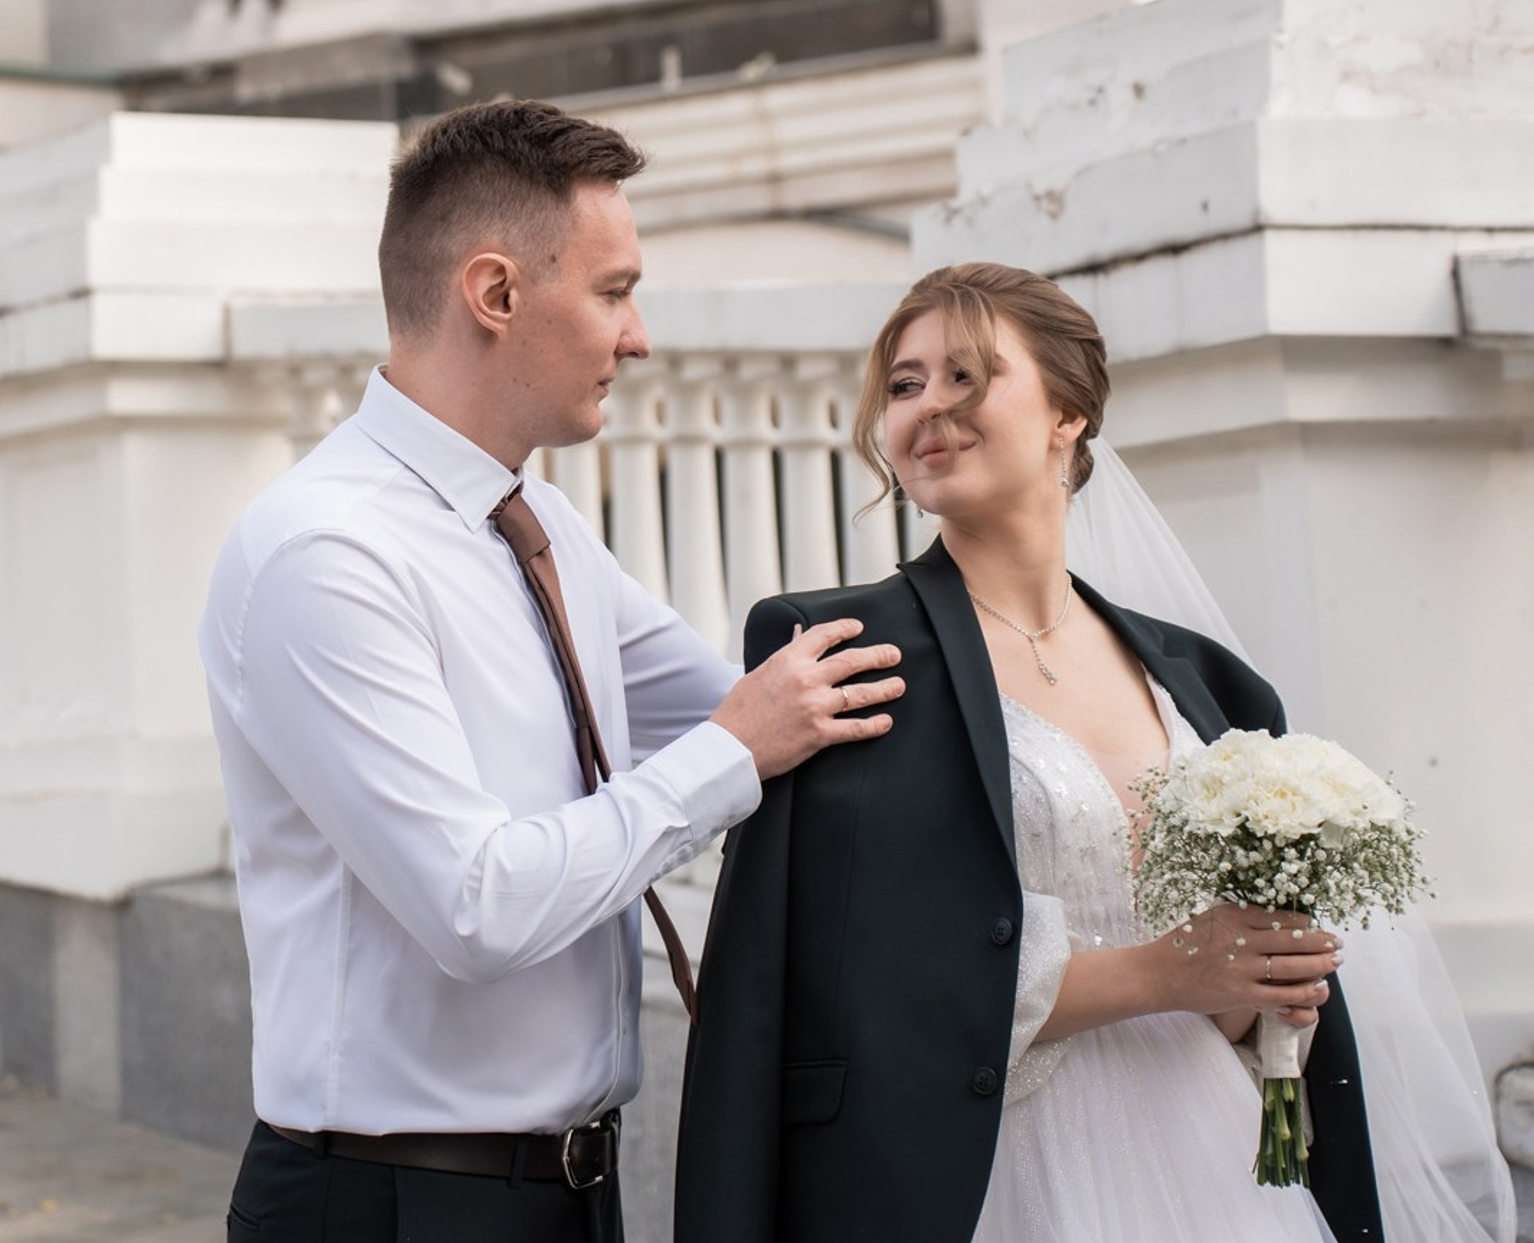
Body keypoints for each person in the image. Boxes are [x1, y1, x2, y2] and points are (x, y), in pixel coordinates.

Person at [674, 261, 1514, 1243]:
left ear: (1068, 412)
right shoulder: (842, 655)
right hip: (973, 1181)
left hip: (1217, 1165)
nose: (927, 409)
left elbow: (1236, 996)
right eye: (904, 385)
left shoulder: (1206, 682)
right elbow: (846, 977)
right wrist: (1163, 974)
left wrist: (1260, 987)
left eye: (966, 376)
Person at [197, 98, 905, 1243]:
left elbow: (743, 695)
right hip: (391, 1207)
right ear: (497, 293)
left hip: (572, 1194)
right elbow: (477, 905)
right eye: (615, 290)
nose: (640, 337)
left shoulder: (542, 529)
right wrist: (735, 750)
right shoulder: (324, 555)